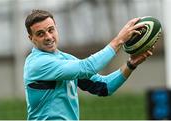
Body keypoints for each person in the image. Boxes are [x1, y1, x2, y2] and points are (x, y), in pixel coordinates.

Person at [23, 9, 153, 120]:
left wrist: (130, 64)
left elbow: (105, 87)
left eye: (51, 30)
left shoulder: (66, 59)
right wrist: (119, 40)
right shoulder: (37, 63)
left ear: (56, 28)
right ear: (31, 38)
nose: (48, 37)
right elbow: (87, 68)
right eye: (40, 34)